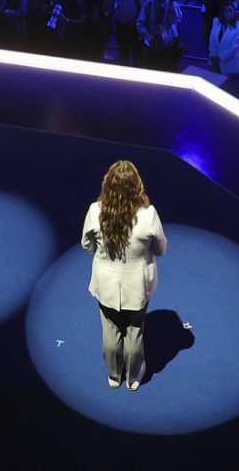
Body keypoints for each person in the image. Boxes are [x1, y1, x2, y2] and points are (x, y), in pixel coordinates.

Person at [82, 159, 168, 391]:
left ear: (107, 185)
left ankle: (113, 375)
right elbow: (161, 249)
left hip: (106, 285)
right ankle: (133, 378)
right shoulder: (149, 215)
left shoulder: (95, 211)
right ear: (136, 186)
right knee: (135, 332)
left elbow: (86, 245)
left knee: (110, 330)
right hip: (137, 287)